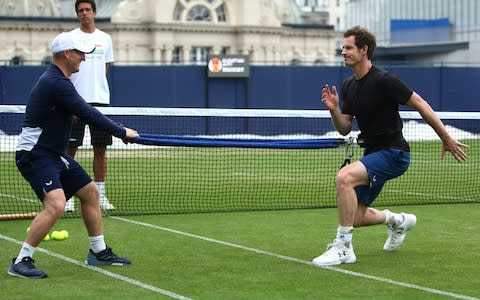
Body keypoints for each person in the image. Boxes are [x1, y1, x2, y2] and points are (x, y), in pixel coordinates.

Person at [312, 26, 468, 266]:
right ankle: (398, 221)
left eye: (349, 47)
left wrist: (445, 137)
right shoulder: (348, 86)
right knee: (354, 216)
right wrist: (334, 109)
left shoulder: (384, 80)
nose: (343, 51)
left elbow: (421, 104)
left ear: (364, 50)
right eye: (343, 47)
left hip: (395, 154)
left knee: (344, 178)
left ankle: (343, 248)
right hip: (373, 154)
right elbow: (345, 127)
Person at [8, 31, 138, 279]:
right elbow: (89, 113)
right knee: (56, 204)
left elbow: (71, 110)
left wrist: (68, 113)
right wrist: (122, 132)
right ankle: (22, 260)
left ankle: (98, 252)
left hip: (53, 153)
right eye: (80, 54)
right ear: (67, 54)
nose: (84, 59)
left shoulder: (59, 82)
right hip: (35, 154)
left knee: (90, 192)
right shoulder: (56, 83)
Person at [65, 0, 115, 212]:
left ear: (94, 12)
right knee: (69, 151)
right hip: (75, 102)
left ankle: (100, 196)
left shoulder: (105, 39)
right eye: (80, 11)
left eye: (87, 10)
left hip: (100, 103)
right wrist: (72, 100)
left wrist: (96, 89)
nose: (84, 13)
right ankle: (66, 196)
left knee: (100, 150)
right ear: (78, 14)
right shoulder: (71, 38)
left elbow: (106, 66)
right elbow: (66, 68)